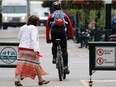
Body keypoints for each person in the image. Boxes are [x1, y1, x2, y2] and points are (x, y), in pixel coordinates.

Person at [15, 15, 49, 86]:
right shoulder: (34, 28)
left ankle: (17, 80)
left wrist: (24, 40)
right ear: (36, 22)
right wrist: (36, 50)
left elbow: (18, 37)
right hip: (30, 49)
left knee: (20, 64)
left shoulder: (23, 27)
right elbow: (34, 39)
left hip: (21, 48)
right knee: (36, 64)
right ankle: (40, 80)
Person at [46, 1, 73, 74]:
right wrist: (70, 36)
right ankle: (66, 66)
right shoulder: (64, 15)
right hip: (62, 33)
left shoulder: (51, 16)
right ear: (60, 7)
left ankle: (54, 58)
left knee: (54, 45)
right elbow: (70, 26)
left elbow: (47, 28)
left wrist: (48, 39)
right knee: (64, 49)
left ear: (53, 8)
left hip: (54, 33)